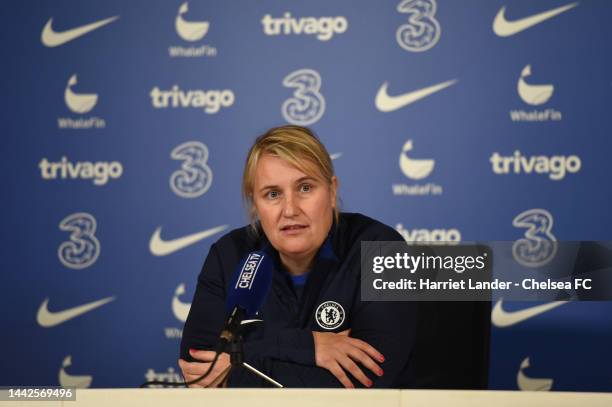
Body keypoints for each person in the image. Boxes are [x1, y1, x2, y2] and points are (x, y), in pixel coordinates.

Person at [179, 125, 418, 388]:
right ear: (255, 204)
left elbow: (366, 379)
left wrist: (240, 361)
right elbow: (201, 370)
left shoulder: (384, 249)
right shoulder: (229, 255)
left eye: (305, 188)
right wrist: (309, 346)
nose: (290, 209)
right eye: (272, 194)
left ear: (332, 191)